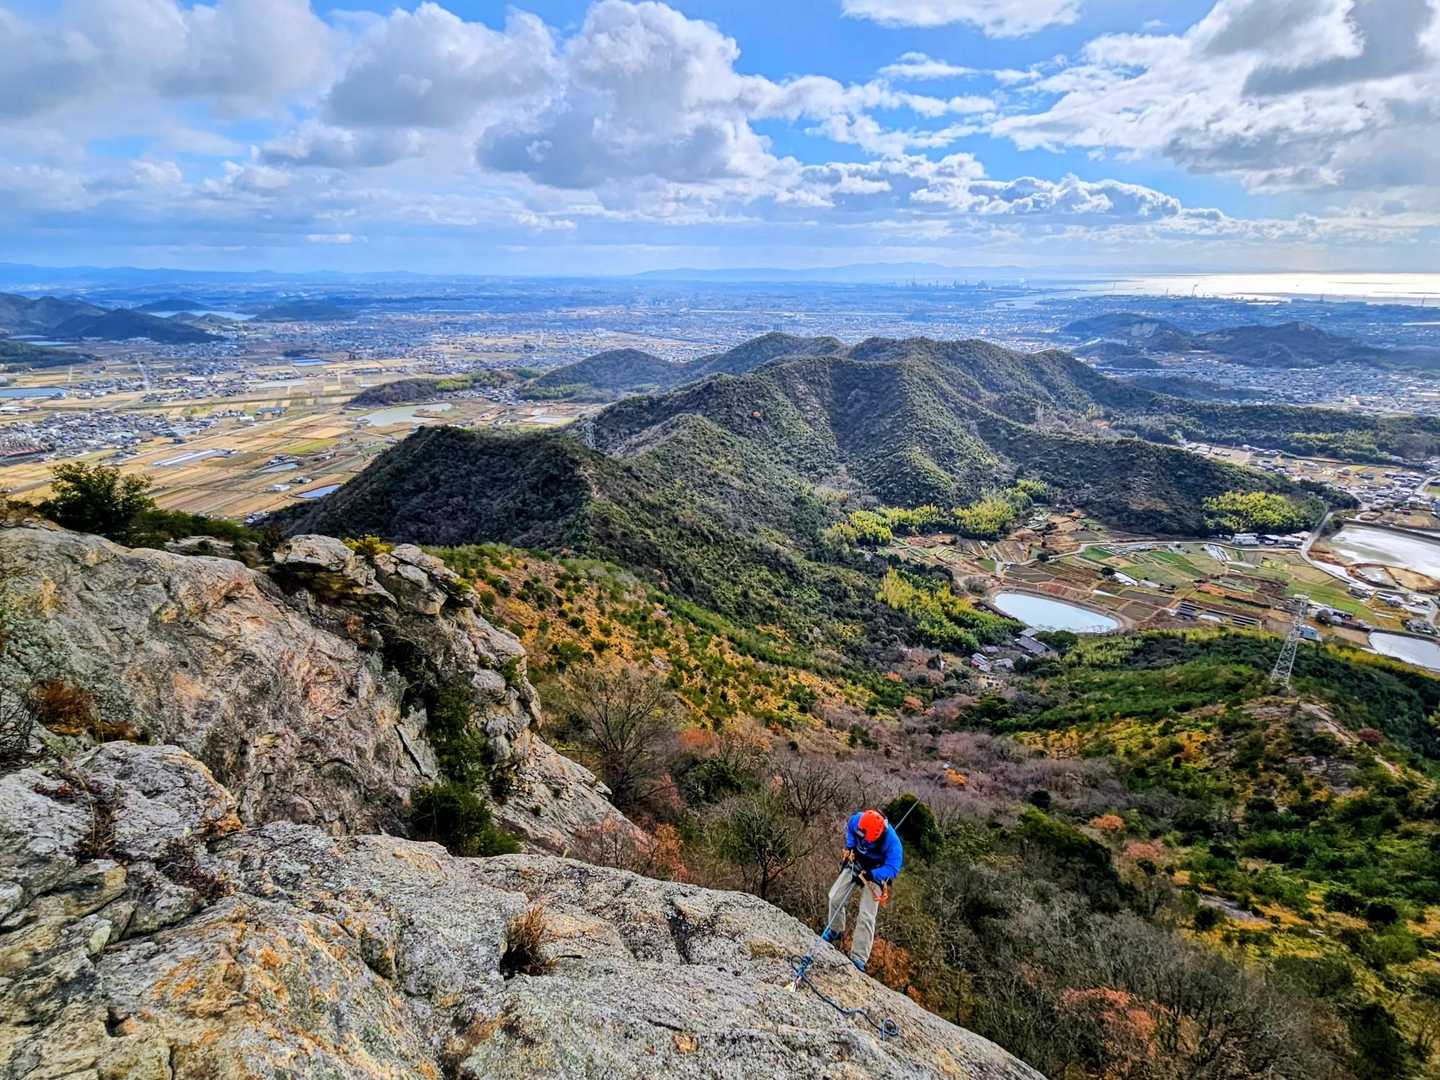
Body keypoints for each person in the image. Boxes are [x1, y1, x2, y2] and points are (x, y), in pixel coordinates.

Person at [821, 808, 903, 972]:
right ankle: (835, 930)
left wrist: (872, 874)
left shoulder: (893, 843)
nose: (865, 841)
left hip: (877, 872)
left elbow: (893, 868)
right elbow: (851, 831)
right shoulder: (857, 820)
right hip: (857, 861)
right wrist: (851, 846)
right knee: (835, 897)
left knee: (866, 915)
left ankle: (859, 957)